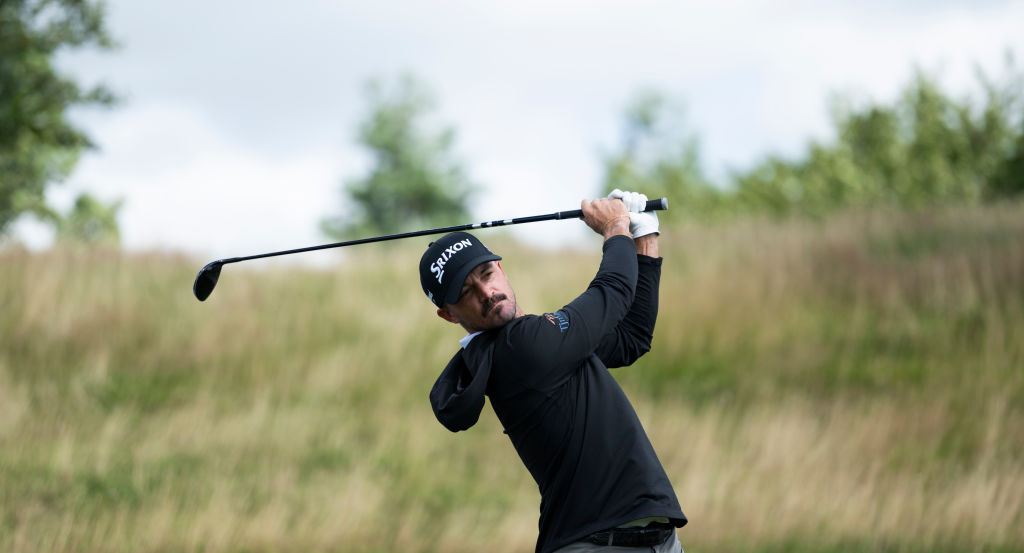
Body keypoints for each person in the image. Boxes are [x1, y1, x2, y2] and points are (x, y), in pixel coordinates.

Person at [419, 190, 687, 553]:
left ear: (500, 268)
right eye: (467, 292)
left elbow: (630, 338)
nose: (486, 292)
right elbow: (613, 290)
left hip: (657, 541)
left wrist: (644, 237)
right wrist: (615, 226)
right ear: (449, 314)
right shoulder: (522, 346)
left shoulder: (525, 346)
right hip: (594, 545)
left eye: (485, 274)